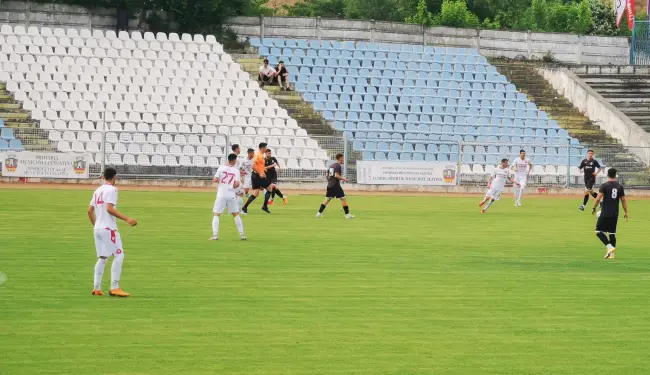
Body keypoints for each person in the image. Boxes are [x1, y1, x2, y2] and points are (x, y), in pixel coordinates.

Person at [88, 166, 137, 297]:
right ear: (115, 177)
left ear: (103, 176)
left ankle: (96, 288)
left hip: (97, 228)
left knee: (103, 257)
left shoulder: (98, 190)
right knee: (119, 255)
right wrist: (127, 219)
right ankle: (114, 287)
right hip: (108, 228)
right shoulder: (112, 189)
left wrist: (96, 225)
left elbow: (89, 210)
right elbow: (109, 208)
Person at [592, 168, 628, 259]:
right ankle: (611, 255)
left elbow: (598, 198)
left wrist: (594, 207)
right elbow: (623, 200)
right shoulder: (620, 186)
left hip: (605, 212)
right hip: (615, 213)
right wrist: (626, 212)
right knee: (612, 233)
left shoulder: (605, 185)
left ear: (607, 175)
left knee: (598, 231)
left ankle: (610, 247)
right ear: (615, 175)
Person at [211, 153, 246, 241]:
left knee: (217, 214)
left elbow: (215, 180)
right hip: (231, 194)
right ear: (234, 160)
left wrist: (222, 182)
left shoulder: (221, 168)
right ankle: (242, 235)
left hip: (221, 194)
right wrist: (232, 185)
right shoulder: (235, 170)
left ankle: (215, 235)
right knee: (236, 214)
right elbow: (237, 183)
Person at [241, 142, 276, 214]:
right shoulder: (258, 155)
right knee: (270, 188)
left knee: (256, 193)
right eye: (266, 148)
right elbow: (253, 166)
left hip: (255, 175)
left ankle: (245, 207)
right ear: (262, 148)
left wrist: (263, 169)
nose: (266, 149)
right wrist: (260, 173)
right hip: (257, 175)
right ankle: (264, 206)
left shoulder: (260, 155)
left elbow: (258, 165)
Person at [316, 153, 354, 219]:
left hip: (330, 185)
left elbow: (327, 175)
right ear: (340, 158)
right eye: (343, 158)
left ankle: (319, 213)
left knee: (327, 199)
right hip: (336, 186)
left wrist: (330, 181)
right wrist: (344, 179)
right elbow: (336, 175)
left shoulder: (332, 165)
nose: (343, 160)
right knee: (343, 199)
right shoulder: (338, 166)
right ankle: (347, 215)